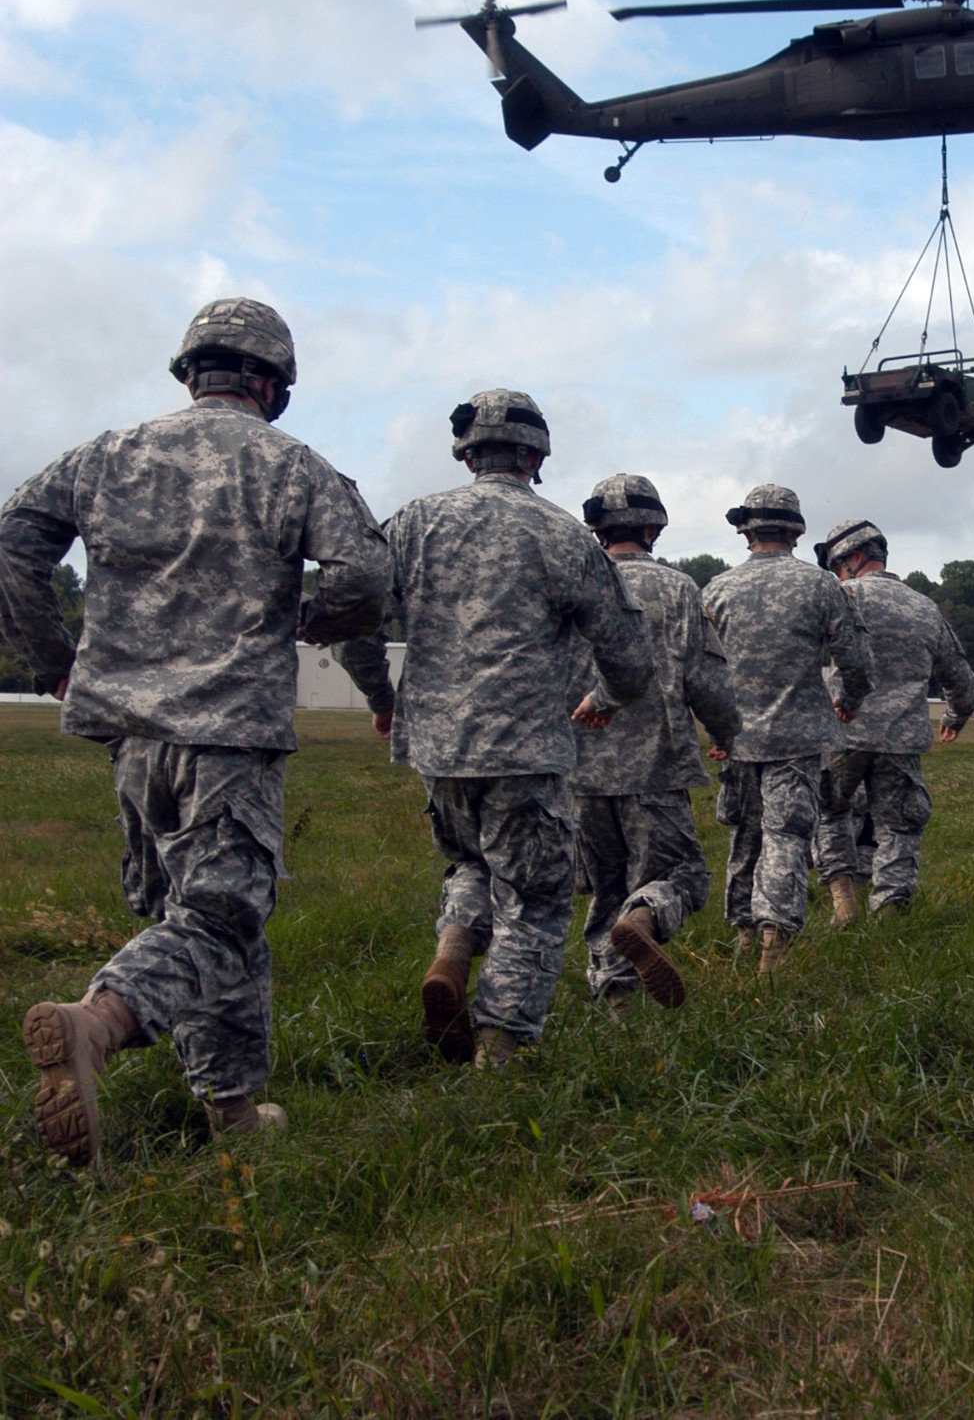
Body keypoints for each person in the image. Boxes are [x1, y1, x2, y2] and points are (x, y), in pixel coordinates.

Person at [0, 299, 391, 1165]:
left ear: (189, 372)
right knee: (220, 917)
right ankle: (96, 1023)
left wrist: (53, 658)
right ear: (271, 382)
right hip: (230, 730)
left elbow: (15, 537)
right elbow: (366, 570)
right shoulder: (293, 466)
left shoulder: (109, 453)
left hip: (129, 732)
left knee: (210, 916)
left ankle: (234, 1109)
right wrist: (313, 621)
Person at [336, 390, 652, 1067]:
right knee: (534, 897)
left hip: (436, 748)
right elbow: (628, 654)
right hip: (525, 748)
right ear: (535, 456)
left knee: (472, 861)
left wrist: (380, 695)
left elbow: (356, 610)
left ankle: (452, 951)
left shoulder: (413, 522)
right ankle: (499, 1048)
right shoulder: (563, 533)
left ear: (467, 451)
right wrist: (609, 696)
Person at [568, 474, 739, 1012]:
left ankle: (617, 1007)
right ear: (652, 527)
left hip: (578, 769)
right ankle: (643, 918)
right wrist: (727, 734)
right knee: (680, 875)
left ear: (598, 527)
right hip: (655, 767)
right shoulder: (678, 590)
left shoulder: (569, 582)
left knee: (604, 885)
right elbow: (707, 683)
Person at [701, 485, 873, 973]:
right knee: (785, 839)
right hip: (798, 742)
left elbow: (700, 670)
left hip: (738, 742)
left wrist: (717, 731)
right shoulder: (822, 587)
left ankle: (741, 933)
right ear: (796, 531)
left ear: (746, 531)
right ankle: (772, 944)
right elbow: (856, 662)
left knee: (745, 838)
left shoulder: (716, 589)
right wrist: (849, 701)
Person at [812, 519, 974, 919]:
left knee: (829, 811)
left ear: (853, 558)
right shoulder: (924, 607)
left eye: (836, 565)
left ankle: (843, 897)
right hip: (900, 739)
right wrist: (955, 717)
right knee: (899, 826)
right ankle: (889, 913)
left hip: (842, 731)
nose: (836, 575)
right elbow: (962, 680)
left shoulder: (839, 597)